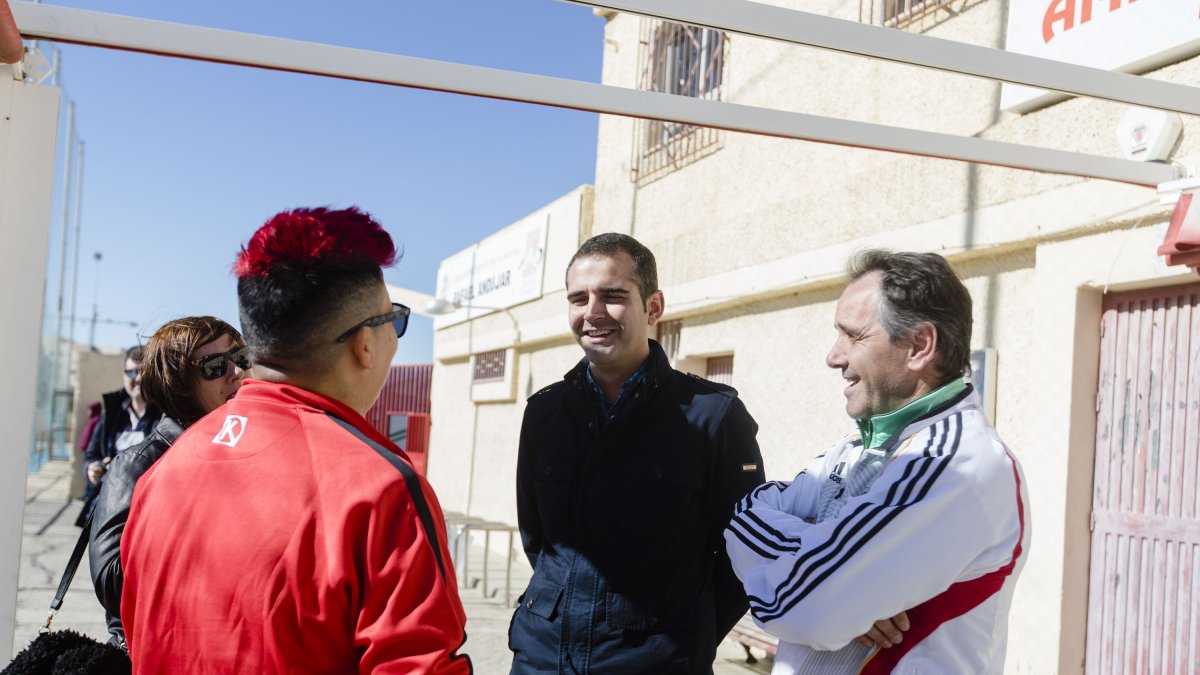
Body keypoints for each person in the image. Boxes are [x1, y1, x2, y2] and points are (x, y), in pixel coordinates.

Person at [120, 207, 471, 673]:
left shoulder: (165, 471)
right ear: (363, 343)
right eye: (396, 320)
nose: (396, 339)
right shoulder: (379, 488)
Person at [725, 250, 1029, 674]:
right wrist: (830, 563)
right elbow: (740, 517)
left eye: (854, 336)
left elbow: (799, 604)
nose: (834, 356)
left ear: (920, 346)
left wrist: (824, 575)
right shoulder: (854, 449)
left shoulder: (956, 461)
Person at [510, 232, 766, 674]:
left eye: (612, 295)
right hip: (542, 658)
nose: (591, 312)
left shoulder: (713, 416)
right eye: (578, 298)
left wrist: (683, 640)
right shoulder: (544, 412)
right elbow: (540, 540)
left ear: (653, 307)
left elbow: (743, 554)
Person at [88, 316, 249, 649]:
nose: (236, 372)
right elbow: (111, 584)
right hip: (151, 652)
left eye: (241, 358)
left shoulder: (240, 450)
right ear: (178, 382)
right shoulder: (137, 464)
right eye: (215, 365)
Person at [77, 346, 162, 525]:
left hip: (145, 512)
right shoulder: (111, 414)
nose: (137, 378)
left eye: (143, 373)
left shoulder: (165, 416)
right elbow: (91, 455)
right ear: (124, 375)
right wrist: (91, 469)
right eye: (132, 373)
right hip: (107, 507)